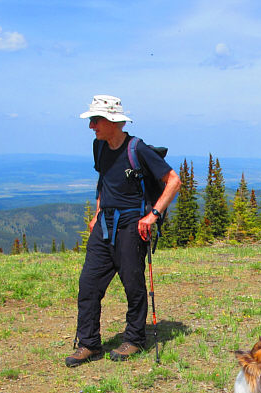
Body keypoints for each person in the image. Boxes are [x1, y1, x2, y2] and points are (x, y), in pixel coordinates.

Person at [66, 95, 180, 366]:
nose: (91, 126)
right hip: (104, 224)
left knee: (133, 284)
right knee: (89, 284)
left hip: (132, 226)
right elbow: (103, 181)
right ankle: (89, 343)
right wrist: (97, 213)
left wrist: (153, 215)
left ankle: (134, 339)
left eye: (95, 120)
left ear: (113, 121)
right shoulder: (100, 147)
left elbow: (173, 180)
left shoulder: (137, 149)